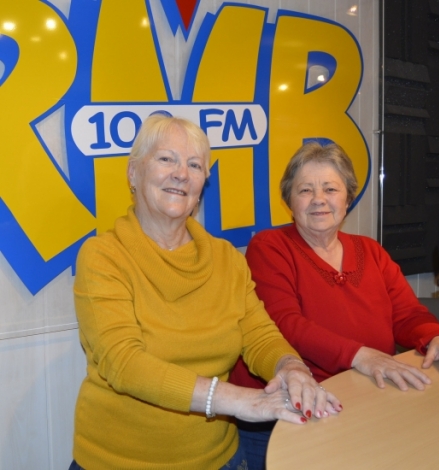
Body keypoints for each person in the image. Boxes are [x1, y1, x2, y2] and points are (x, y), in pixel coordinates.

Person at [69, 116, 342, 470]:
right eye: (167, 159)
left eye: (195, 165)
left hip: (222, 460)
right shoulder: (103, 256)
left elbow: (258, 335)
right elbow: (124, 364)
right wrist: (240, 400)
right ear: (133, 173)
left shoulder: (227, 258)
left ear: (202, 185)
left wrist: (291, 368)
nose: (182, 173)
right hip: (118, 462)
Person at [229, 141, 439, 470]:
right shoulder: (270, 247)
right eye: (305, 190)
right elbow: (287, 324)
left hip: (365, 398)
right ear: (289, 201)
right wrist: (364, 356)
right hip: (286, 413)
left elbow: (407, 313)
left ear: (348, 198)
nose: (319, 199)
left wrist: (437, 338)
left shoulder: (370, 250)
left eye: (330, 188)